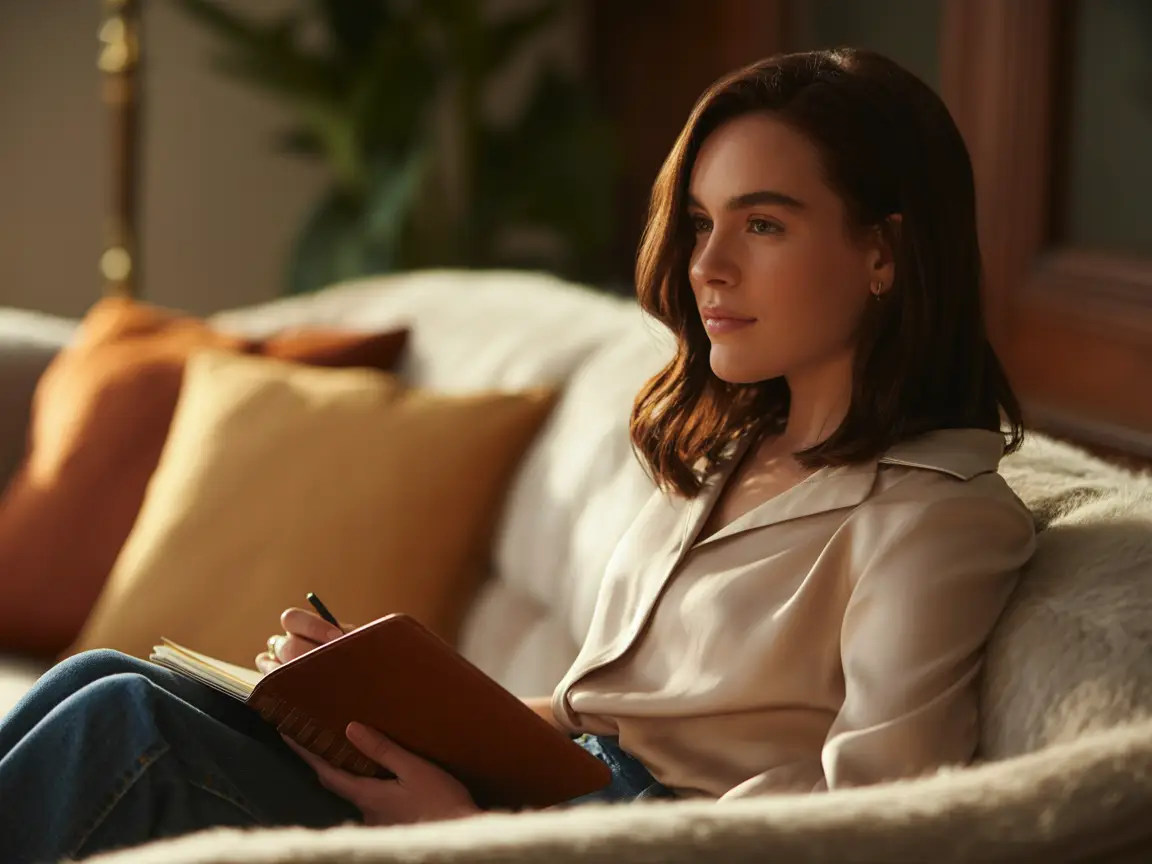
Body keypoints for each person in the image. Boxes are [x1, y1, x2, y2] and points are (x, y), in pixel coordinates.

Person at [0, 47, 1036, 863]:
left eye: (762, 224)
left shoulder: (934, 517)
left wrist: (470, 834)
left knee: (127, 728)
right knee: (107, 676)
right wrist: (389, 697)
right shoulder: (726, 452)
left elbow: (883, 828)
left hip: (585, 840)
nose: (708, 266)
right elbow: (594, 713)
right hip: (539, 787)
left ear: (884, 251)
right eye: (701, 222)